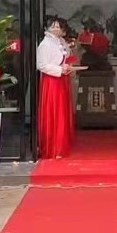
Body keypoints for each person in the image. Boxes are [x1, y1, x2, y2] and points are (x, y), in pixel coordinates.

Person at [37, 15, 75, 159]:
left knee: (62, 112)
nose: (56, 28)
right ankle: (53, 148)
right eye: (53, 26)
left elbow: (65, 57)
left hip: (61, 79)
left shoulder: (60, 42)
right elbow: (41, 65)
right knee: (54, 112)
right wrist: (59, 70)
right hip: (52, 81)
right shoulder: (45, 44)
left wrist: (67, 67)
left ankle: (61, 145)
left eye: (58, 26)